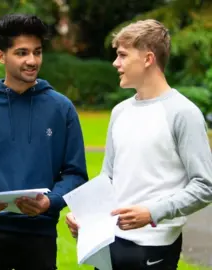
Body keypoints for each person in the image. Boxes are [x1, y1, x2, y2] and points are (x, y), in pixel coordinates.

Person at [66, 19, 212, 270]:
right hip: (109, 240)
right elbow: (109, 177)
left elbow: (204, 185)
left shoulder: (183, 113)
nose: (115, 63)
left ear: (148, 59)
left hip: (155, 245)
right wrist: (86, 217)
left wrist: (152, 212)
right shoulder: (120, 112)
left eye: (122, 55)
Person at [0, 14, 88, 270]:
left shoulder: (62, 109)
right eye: (22, 53)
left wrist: (51, 201)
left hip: (41, 235)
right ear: (1, 56)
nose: (32, 61)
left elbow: (75, 174)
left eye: (37, 52)